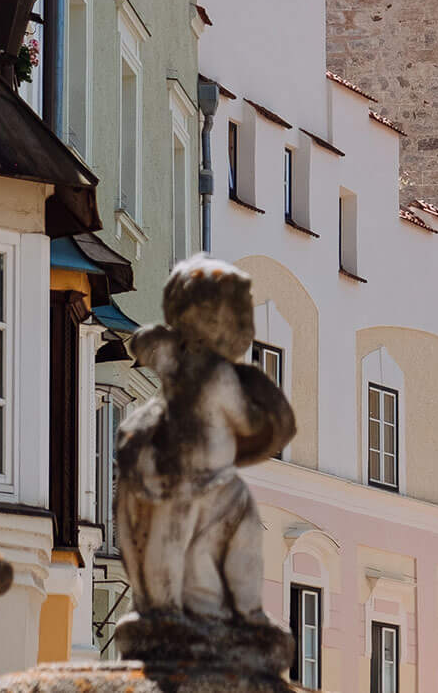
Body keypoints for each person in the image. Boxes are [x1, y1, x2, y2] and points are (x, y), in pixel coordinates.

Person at [117, 257, 294, 622]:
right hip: (206, 480)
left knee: (173, 548)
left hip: (187, 478)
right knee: (239, 544)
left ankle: (166, 606)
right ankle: (246, 611)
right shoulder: (218, 373)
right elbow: (246, 422)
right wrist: (264, 413)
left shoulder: (180, 366)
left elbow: (145, 349)